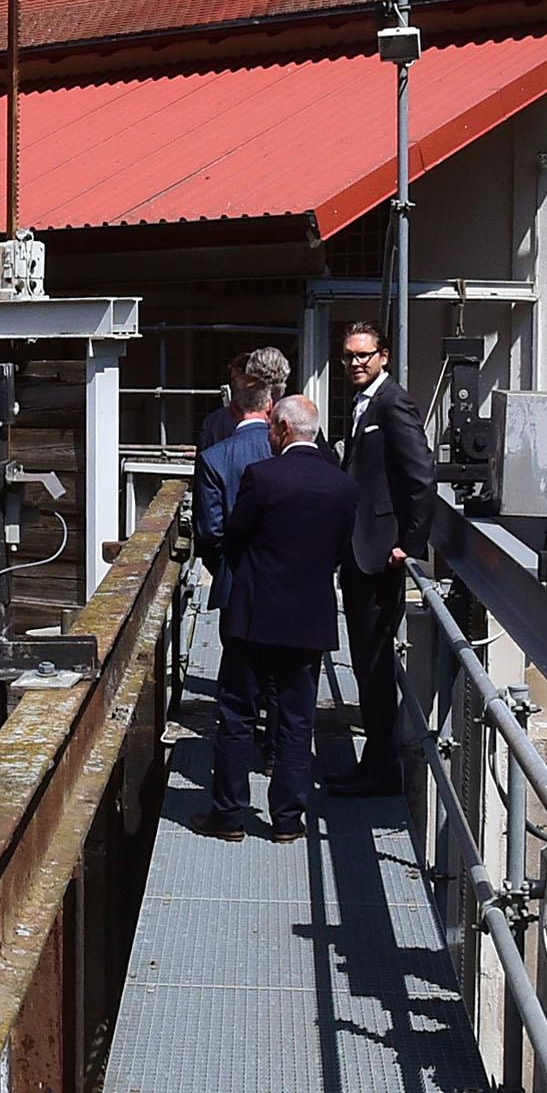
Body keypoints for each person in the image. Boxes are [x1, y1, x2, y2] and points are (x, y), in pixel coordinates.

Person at [210, 392, 353, 837]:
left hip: (254, 613)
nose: (268, 435)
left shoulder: (262, 477)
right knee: (297, 720)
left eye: (272, 428)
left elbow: (233, 538)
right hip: (309, 615)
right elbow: (340, 549)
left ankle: (230, 815)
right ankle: (288, 819)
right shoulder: (342, 484)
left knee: (237, 714)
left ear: (284, 430)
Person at [333, 315, 439, 794]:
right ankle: (374, 760)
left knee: (374, 662)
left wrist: (409, 545)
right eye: (349, 355)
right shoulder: (362, 403)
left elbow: (421, 476)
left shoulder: (393, 402)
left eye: (364, 355)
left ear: (383, 357)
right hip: (361, 549)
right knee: (365, 659)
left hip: (380, 553)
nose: (355, 362)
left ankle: (379, 768)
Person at [187, 346, 288, 599]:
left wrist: (222, 566)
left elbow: (209, 528)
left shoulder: (214, 442)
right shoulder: (297, 431)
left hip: (233, 576)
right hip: (288, 578)